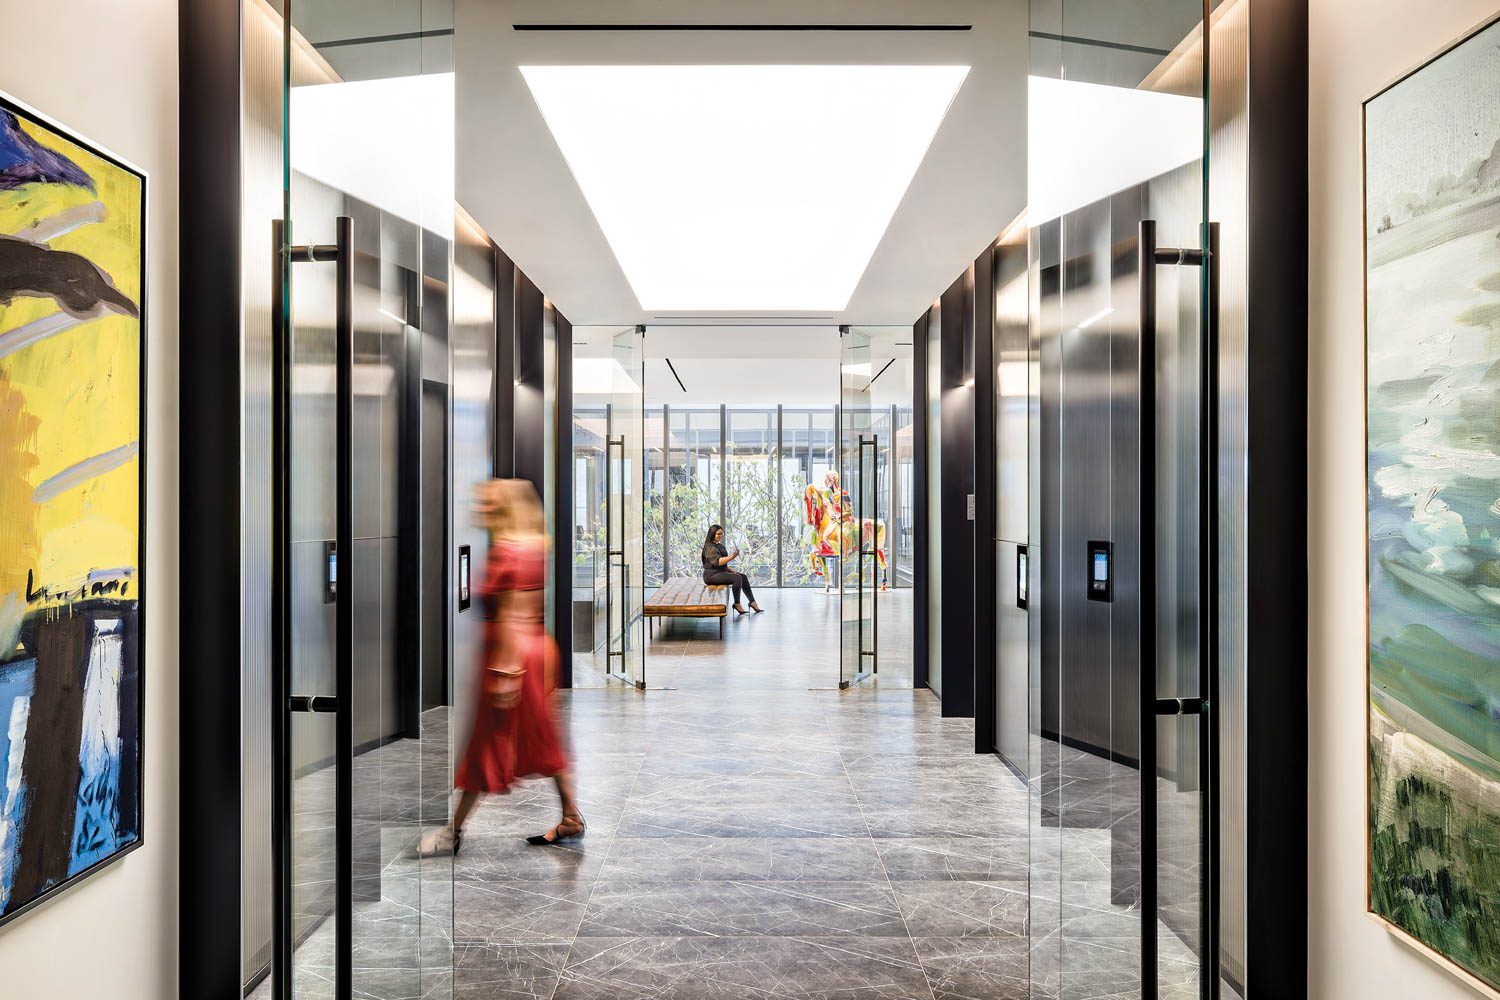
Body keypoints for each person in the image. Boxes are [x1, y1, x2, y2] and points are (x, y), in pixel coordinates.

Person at [420, 479, 583, 856]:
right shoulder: (532, 547)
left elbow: (513, 613)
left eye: (487, 503)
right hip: (536, 651)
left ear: (504, 508)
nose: (479, 508)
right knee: (543, 739)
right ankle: (570, 816)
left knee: (486, 744)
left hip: (511, 657)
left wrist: (506, 671)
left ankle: (453, 832)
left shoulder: (507, 553)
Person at [702, 524, 764, 615]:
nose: (720, 536)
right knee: (737, 578)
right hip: (711, 575)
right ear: (712, 534)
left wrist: (730, 570)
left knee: (743, 577)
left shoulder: (719, 546)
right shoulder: (710, 547)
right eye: (718, 534)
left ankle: (752, 602)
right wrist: (732, 557)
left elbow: (723, 564)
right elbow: (717, 562)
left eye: (722, 534)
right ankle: (737, 603)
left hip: (720, 572)